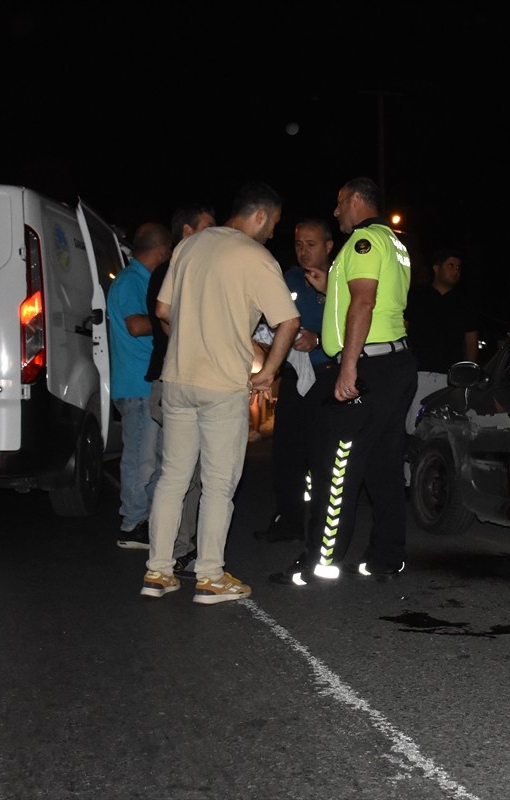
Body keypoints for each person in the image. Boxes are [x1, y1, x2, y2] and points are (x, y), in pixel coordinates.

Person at [141, 181, 299, 603]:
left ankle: (157, 572)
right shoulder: (256, 257)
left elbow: (162, 311)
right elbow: (288, 321)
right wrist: (267, 371)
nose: (272, 232)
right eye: (275, 223)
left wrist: (191, 340)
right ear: (261, 215)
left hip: (177, 379)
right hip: (221, 384)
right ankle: (209, 576)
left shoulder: (189, 247)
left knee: (172, 479)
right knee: (217, 484)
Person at [271, 177, 416, 586]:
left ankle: (320, 562)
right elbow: (378, 298)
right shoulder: (396, 243)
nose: (336, 213)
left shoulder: (363, 243)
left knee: (337, 465)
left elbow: (364, 302)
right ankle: (386, 558)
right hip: (396, 364)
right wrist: (329, 284)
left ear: (355, 200)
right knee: (384, 466)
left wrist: (348, 366)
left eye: (339, 204)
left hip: (368, 366)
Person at [143, 202, 216, 573]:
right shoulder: (175, 271)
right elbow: (167, 318)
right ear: (187, 232)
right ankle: (176, 551)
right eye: (208, 227)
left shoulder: (177, 270)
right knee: (185, 475)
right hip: (175, 381)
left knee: (185, 474)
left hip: (179, 381)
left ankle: (170, 554)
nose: (214, 236)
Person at [254, 217, 336, 543]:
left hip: (327, 378)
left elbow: (356, 324)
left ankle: (321, 527)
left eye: (311, 244)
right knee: (286, 452)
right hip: (292, 376)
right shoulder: (288, 278)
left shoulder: (341, 282)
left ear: (329, 246)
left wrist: (318, 339)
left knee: (323, 454)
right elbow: (268, 323)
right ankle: (288, 519)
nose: (304, 251)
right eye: (299, 244)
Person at [110, 222, 173, 549]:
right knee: (140, 459)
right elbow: (135, 325)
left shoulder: (140, 280)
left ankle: (144, 520)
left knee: (155, 459)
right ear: (162, 252)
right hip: (136, 384)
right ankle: (132, 522)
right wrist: (174, 319)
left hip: (144, 383)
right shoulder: (131, 281)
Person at [402, 246, 479, 434]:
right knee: (414, 426)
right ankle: (410, 463)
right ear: (437, 268)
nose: (455, 271)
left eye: (458, 267)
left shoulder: (464, 302)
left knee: (446, 429)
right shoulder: (417, 296)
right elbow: (402, 329)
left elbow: (471, 341)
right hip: (419, 373)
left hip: (450, 379)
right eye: (451, 265)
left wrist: (467, 377)